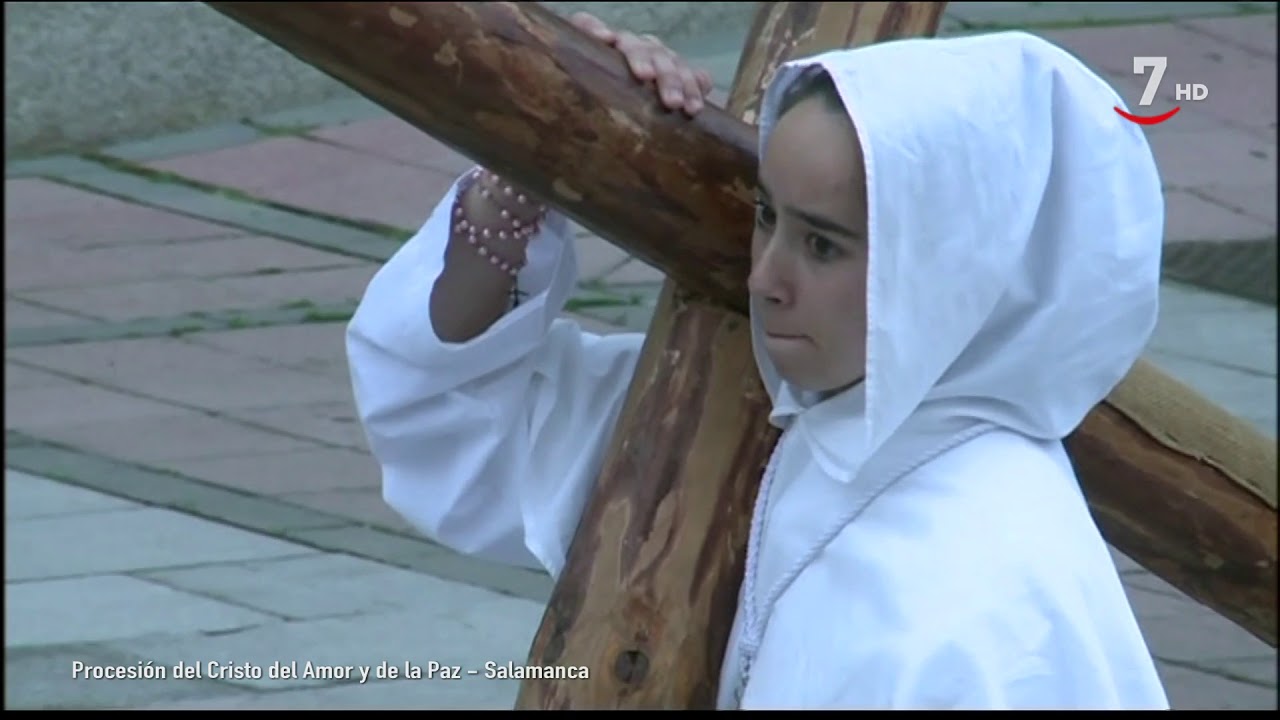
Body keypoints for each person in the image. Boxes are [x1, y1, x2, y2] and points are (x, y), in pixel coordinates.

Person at [345, 10, 1171, 711]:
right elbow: (447, 415)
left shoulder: (991, 596)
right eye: (767, 216)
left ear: (953, 267)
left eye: (822, 244)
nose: (765, 277)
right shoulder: (786, 414)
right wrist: (526, 176)